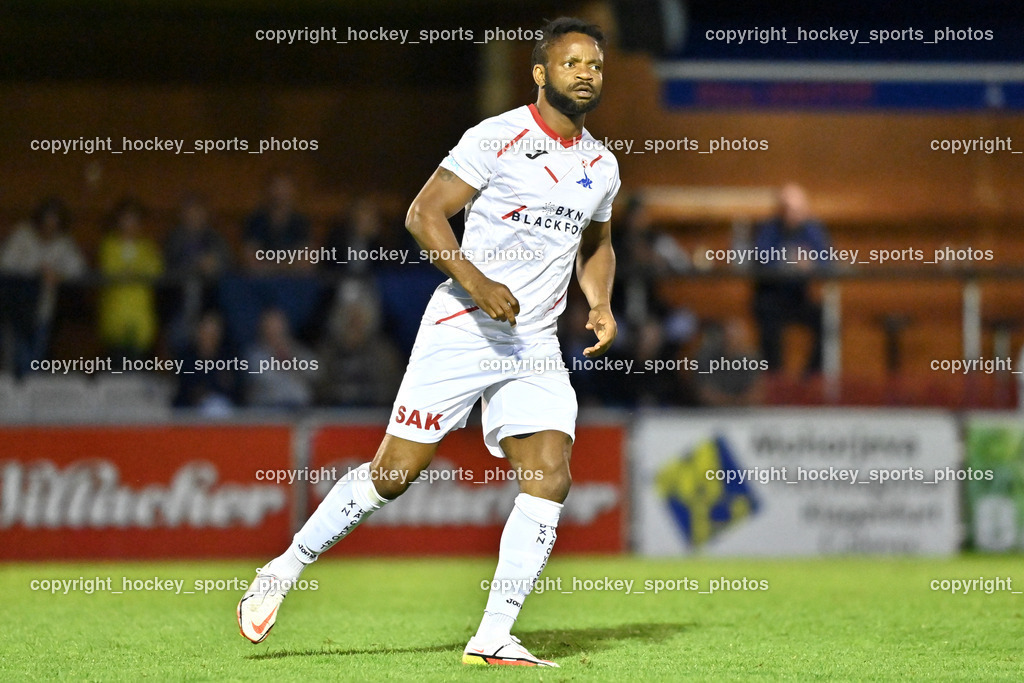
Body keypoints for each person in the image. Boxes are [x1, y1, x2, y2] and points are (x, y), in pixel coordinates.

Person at [237, 17, 621, 668]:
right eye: (571, 62)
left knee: (550, 476)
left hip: (533, 343)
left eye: (595, 65)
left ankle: (493, 635)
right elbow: (423, 213)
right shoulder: (496, 137)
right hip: (464, 326)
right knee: (393, 474)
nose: (586, 73)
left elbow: (599, 244)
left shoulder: (602, 165)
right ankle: (284, 567)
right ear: (540, 73)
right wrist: (479, 281)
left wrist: (601, 301)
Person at [0, 197, 86, 376]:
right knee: (16, 358)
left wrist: (59, 274)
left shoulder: (63, 242)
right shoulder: (22, 235)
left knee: (35, 358)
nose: (50, 226)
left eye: (55, 221)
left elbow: (78, 268)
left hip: (43, 309)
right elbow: (6, 263)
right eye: (47, 220)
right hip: (15, 308)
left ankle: (31, 389)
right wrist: (36, 270)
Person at [751, 183, 831, 375]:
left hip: (799, 298)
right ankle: (774, 379)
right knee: (768, 323)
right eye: (789, 209)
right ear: (781, 209)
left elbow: (828, 260)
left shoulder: (812, 229)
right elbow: (761, 259)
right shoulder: (768, 228)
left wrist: (812, 263)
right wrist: (789, 259)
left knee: (827, 320)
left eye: (799, 209)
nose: (795, 214)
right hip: (771, 298)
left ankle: (810, 379)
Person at [96, 198, 164, 360]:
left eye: (134, 220)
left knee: (140, 365)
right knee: (117, 366)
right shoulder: (109, 245)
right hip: (115, 316)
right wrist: (135, 271)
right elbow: (110, 268)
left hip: (141, 317)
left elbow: (155, 269)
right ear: (118, 221)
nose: (130, 224)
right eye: (126, 219)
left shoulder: (147, 247)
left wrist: (131, 271)